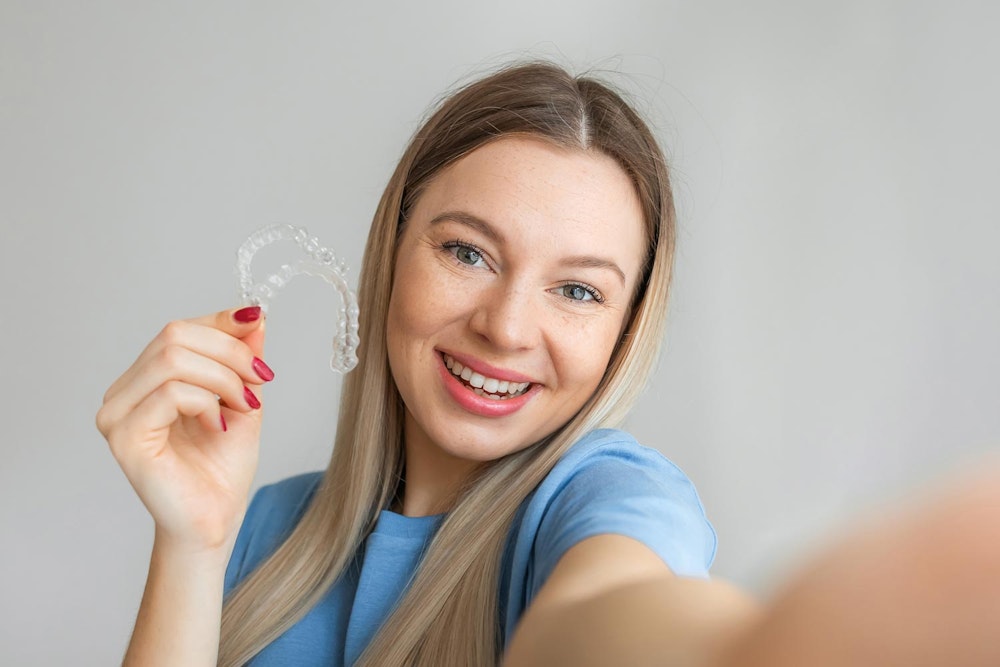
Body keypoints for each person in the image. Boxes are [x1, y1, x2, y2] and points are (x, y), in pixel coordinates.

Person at [97, 61, 1000, 667]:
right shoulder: (264, 527)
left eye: (577, 291)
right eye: (468, 253)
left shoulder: (610, 497)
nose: (505, 327)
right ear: (391, 250)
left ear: (624, 329)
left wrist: (760, 645)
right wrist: (192, 540)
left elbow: (611, 610)